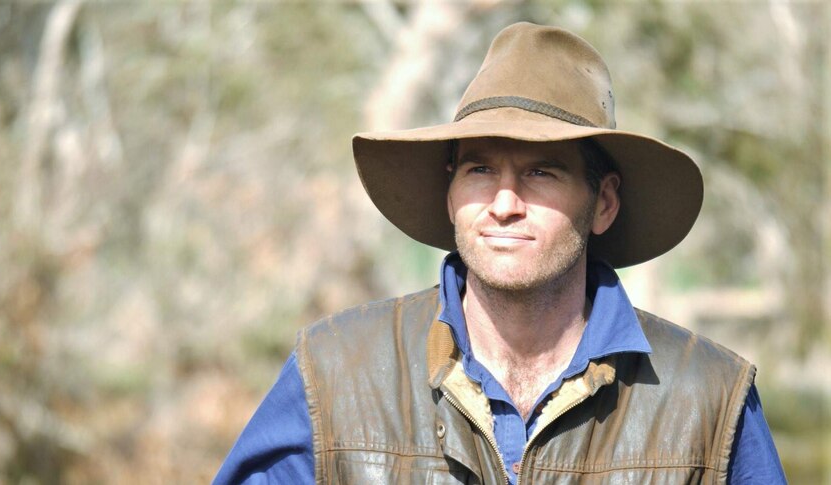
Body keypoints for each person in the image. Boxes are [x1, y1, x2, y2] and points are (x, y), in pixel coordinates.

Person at [214, 23, 786, 484]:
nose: (504, 202)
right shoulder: (335, 374)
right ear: (451, 193)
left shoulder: (709, 398)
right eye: (480, 169)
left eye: (542, 171)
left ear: (604, 202)